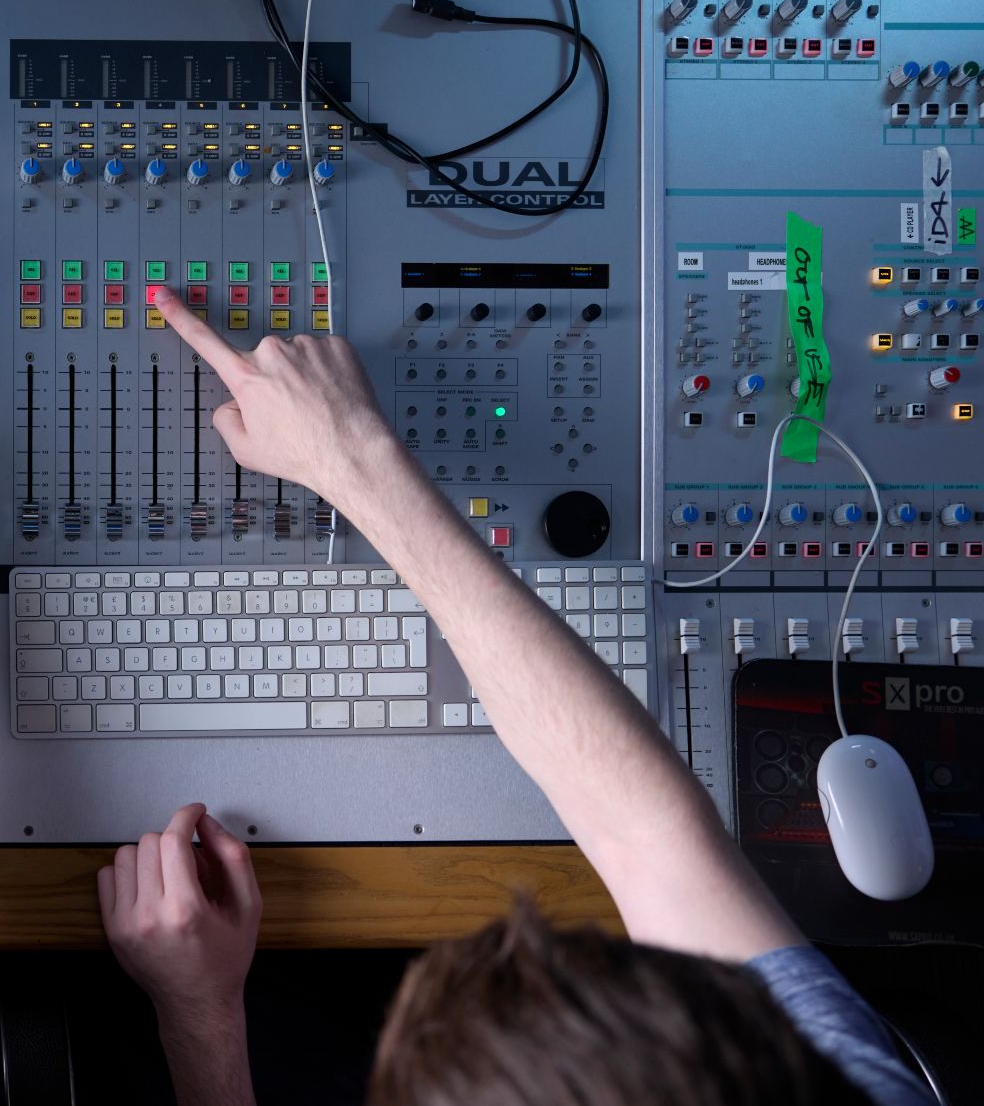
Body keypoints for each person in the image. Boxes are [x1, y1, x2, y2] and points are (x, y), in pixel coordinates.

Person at [95, 287, 937, 1106]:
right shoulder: (820, 1073)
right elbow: (648, 832)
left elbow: (651, 838)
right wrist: (354, 456)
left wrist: (197, 1012)